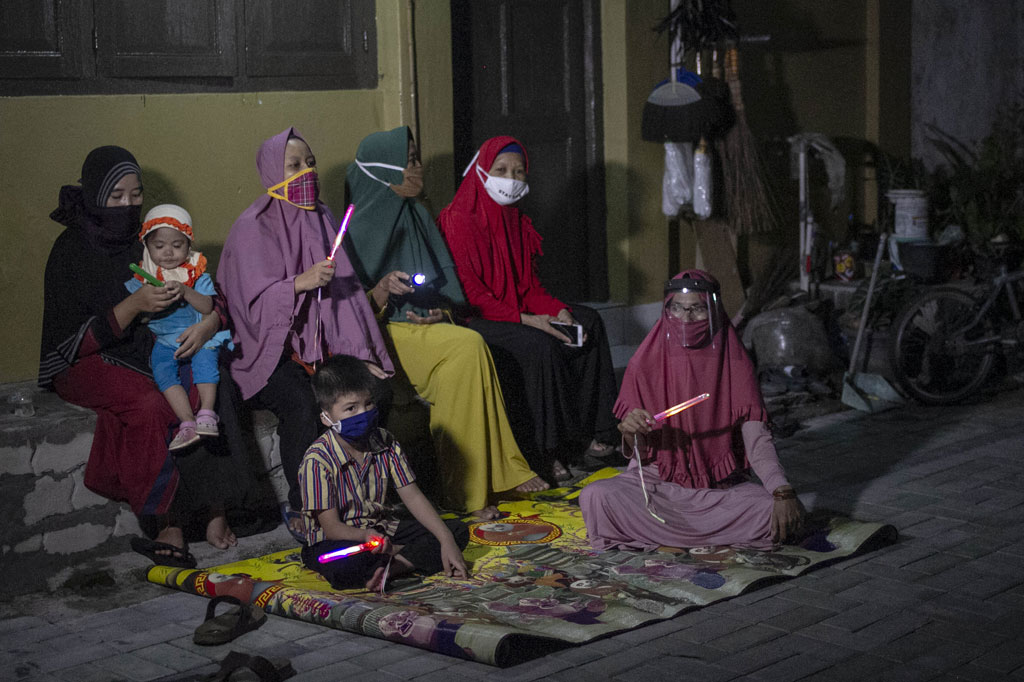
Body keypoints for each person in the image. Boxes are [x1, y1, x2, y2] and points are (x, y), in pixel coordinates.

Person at [40, 146, 241, 567]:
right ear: (94, 195)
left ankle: (215, 509)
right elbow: (68, 340)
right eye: (116, 196)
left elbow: (204, 290)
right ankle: (165, 523)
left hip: (144, 347)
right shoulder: (72, 250)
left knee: (208, 376)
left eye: (135, 195)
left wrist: (207, 325)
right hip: (84, 361)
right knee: (150, 401)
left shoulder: (146, 240)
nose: (129, 205)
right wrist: (133, 306)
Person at [343, 126, 548, 517]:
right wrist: (383, 289)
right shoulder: (351, 228)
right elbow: (348, 311)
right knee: (466, 346)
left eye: (417, 159)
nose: (417, 168)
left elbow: (447, 289)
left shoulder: (417, 213)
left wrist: (443, 312)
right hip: (382, 333)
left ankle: (475, 485)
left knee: (467, 347)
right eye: (409, 160)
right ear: (383, 167)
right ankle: (473, 488)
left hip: (425, 327)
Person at [217, 128, 394, 540]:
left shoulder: (324, 217)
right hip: (266, 352)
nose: (306, 173)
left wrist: (359, 355)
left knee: (372, 391)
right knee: (300, 401)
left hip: (320, 349)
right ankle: (305, 504)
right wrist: (298, 283)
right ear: (270, 173)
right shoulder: (251, 227)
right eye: (293, 166)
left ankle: (365, 497)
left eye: (310, 163)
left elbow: (344, 302)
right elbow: (248, 309)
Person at [579, 270, 806, 551]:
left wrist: (782, 491)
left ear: (713, 309)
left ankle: (663, 534)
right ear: (667, 309)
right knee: (596, 496)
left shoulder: (735, 362)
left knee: (767, 509)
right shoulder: (645, 362)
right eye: (677, 308)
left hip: (717, 488)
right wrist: (629, 430)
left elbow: (758, 441)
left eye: (697, 309)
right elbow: (639, 449)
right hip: (658, 484)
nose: (685, 319)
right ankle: (701, 534)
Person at [437, 136, 619, 482]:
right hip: (475, 318)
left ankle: (595, 432)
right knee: (540, 345)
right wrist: (529, 320)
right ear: (480, 171)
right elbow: (471, 295)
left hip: (515, 310)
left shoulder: (515, 221)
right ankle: (543, 452)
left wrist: (556, 310)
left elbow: (528, 288)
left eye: (519, 172)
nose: (511, 179)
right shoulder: (458, 219)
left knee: (588, 322)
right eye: (501, 170)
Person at [298, 355, 469, 591]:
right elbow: (332, 528)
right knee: (339, 565)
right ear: (326, 418)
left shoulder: (385, 441)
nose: (363, 412)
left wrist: (446, 539)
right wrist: (366, 536)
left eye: (368, 403)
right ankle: (394, 560)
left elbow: (414, 496)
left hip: (382, 529)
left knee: (454, 531)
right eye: (350, 408)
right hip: (340, 540)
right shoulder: (317, 460)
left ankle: (391, 567)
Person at [125, 204, 231, 450]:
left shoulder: (196, 273)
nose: (169, 253)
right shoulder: (144, 277)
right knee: (162, 373)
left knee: (206, 365)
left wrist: (185, 290)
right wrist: (147, 304)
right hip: (165, 341)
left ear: (188, 245)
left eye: (177, 245)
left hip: (199, 335)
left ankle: (206, 413)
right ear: (147, 247)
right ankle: (187, 423)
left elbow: (207, 307)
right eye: (159, 246)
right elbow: (137, 316)